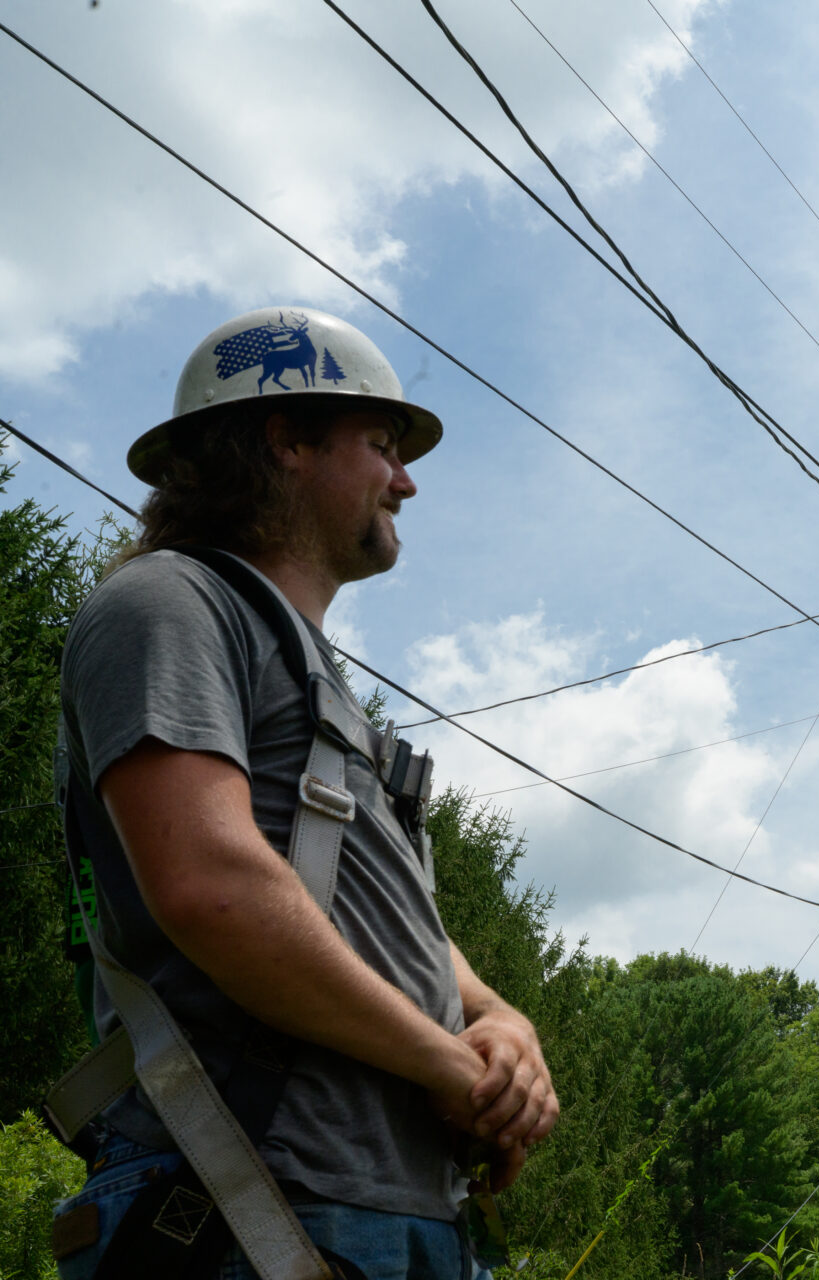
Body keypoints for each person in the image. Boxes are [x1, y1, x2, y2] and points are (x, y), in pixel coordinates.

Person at [47, 307, 556, 1280]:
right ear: (286, 439)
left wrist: (498, 1018)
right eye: (382, 444)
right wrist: (449, 1064)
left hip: (397, 1209)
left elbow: (387, 919)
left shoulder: (320, 686)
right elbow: (213, 885)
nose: (406, 479)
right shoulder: (169, 601)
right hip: (243, 1197)